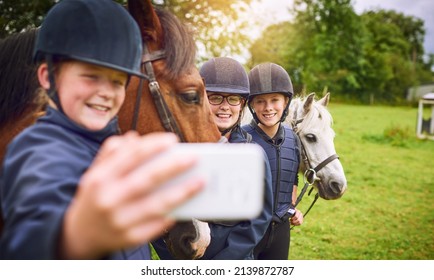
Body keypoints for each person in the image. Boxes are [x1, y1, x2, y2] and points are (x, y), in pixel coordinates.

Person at [0, 0, 204, 260]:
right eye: (91, 76)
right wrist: (77, 237)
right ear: (48, 77)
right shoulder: (38, 149)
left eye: (118, 81)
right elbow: (33, 235)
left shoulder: (110, 147)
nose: (106, 92)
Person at [152, 57, 273, 259]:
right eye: (216, 97)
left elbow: (259, 219)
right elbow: (158, 212)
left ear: (242, 104)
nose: (225, 106)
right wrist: (174, 257)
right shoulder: (179, 152)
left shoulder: (253, 155)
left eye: (233, 99)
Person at [242, 62, 304, 260]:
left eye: (274, 100)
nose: (268, 108)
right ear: (251, 104)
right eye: (260, 101)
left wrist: (292, 209)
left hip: (280, 232)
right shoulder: (241, 139)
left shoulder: (293, 138)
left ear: (285, 102)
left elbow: (291, 177)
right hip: (247, 232)